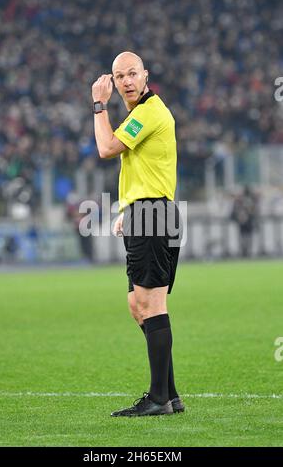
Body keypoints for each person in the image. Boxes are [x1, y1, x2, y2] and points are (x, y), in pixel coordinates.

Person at [92, 51, 184, 417]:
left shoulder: (148, 111)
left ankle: (159, 398)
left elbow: (105, 148)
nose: (126, 81)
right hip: (144, 213)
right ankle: (170, 395)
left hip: (153, 215)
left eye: (132, 74)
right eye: (119, 76)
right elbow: (141, 167)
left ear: (146, 75)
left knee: (152, 305)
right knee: (139, 306)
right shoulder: (138, 113)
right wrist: (128, 210)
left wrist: (99, 106)